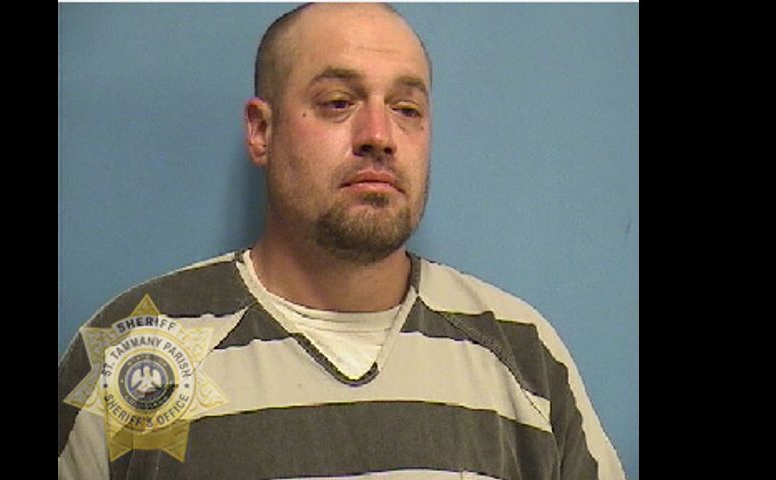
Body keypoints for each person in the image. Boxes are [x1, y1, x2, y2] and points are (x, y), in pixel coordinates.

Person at [58, 3, 627, 479]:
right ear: (261, 130)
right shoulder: (134, 351)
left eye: (407, 109)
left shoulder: (523, 356)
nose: (379, 135)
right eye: (338, 103)